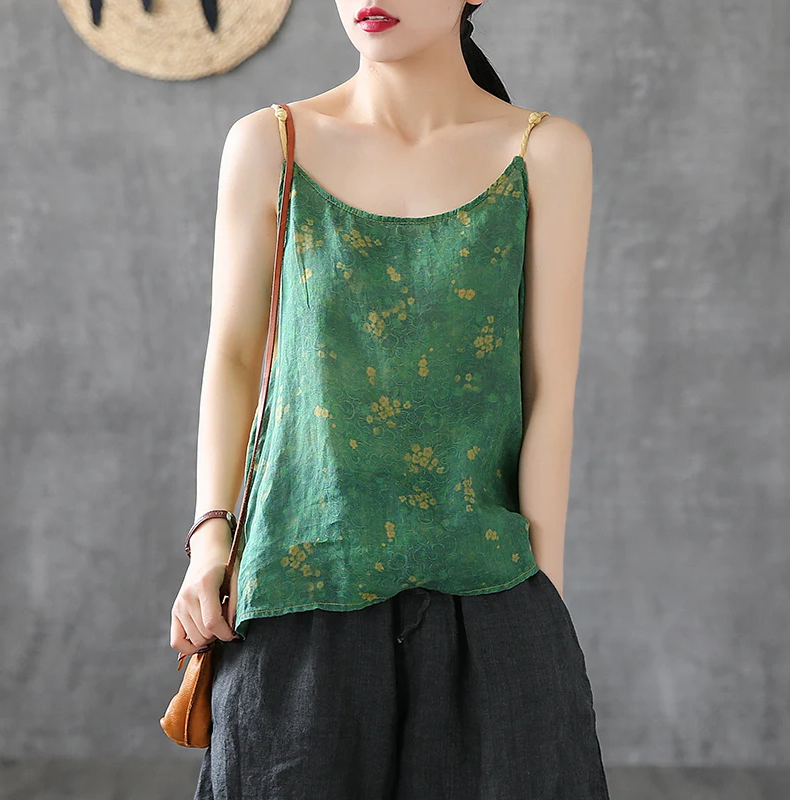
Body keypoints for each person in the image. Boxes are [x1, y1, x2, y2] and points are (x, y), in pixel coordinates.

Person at [171, 1, 606, 797]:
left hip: (489, 590)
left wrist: (541, 615)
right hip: (295, 588)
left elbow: (549, 392)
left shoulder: (544, 152)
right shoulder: (270, 143)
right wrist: (210, 542)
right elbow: (232, 358)